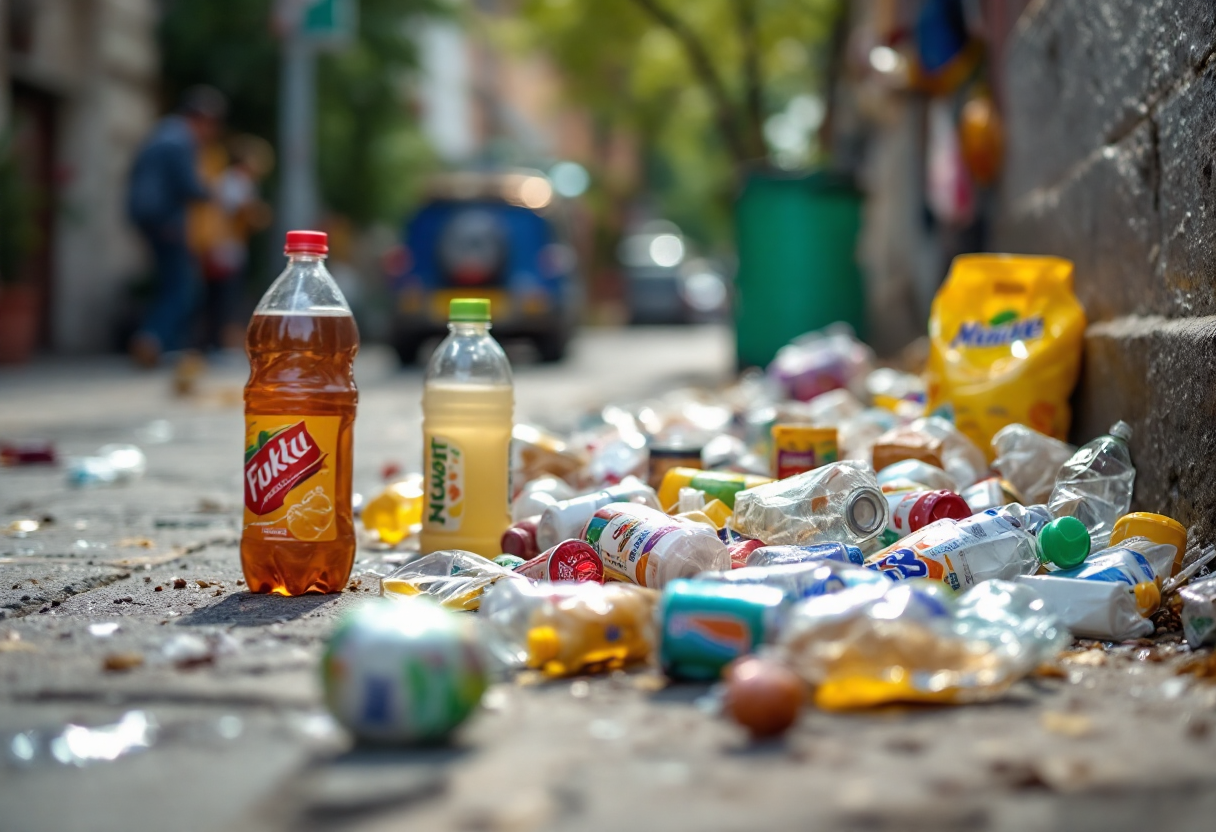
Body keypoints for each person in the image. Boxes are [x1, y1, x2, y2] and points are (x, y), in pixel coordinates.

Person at [126, 86, 226, 367]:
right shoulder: (181, 139)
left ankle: (160, 344)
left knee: (169, 281)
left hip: (147, 216)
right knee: (182, 287)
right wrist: (214, 192)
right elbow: (188, 185)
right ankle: (153, 339)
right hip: (166, 218)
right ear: (202, 119)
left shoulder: (161, 132)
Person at [189, 134, 274, 353]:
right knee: (221, 298)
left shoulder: (234, 180)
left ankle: (213, 343)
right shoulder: (236, 180)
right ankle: (213, 345)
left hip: (228, 247)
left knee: (220, 297)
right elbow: (244, 212)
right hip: (224, 248)